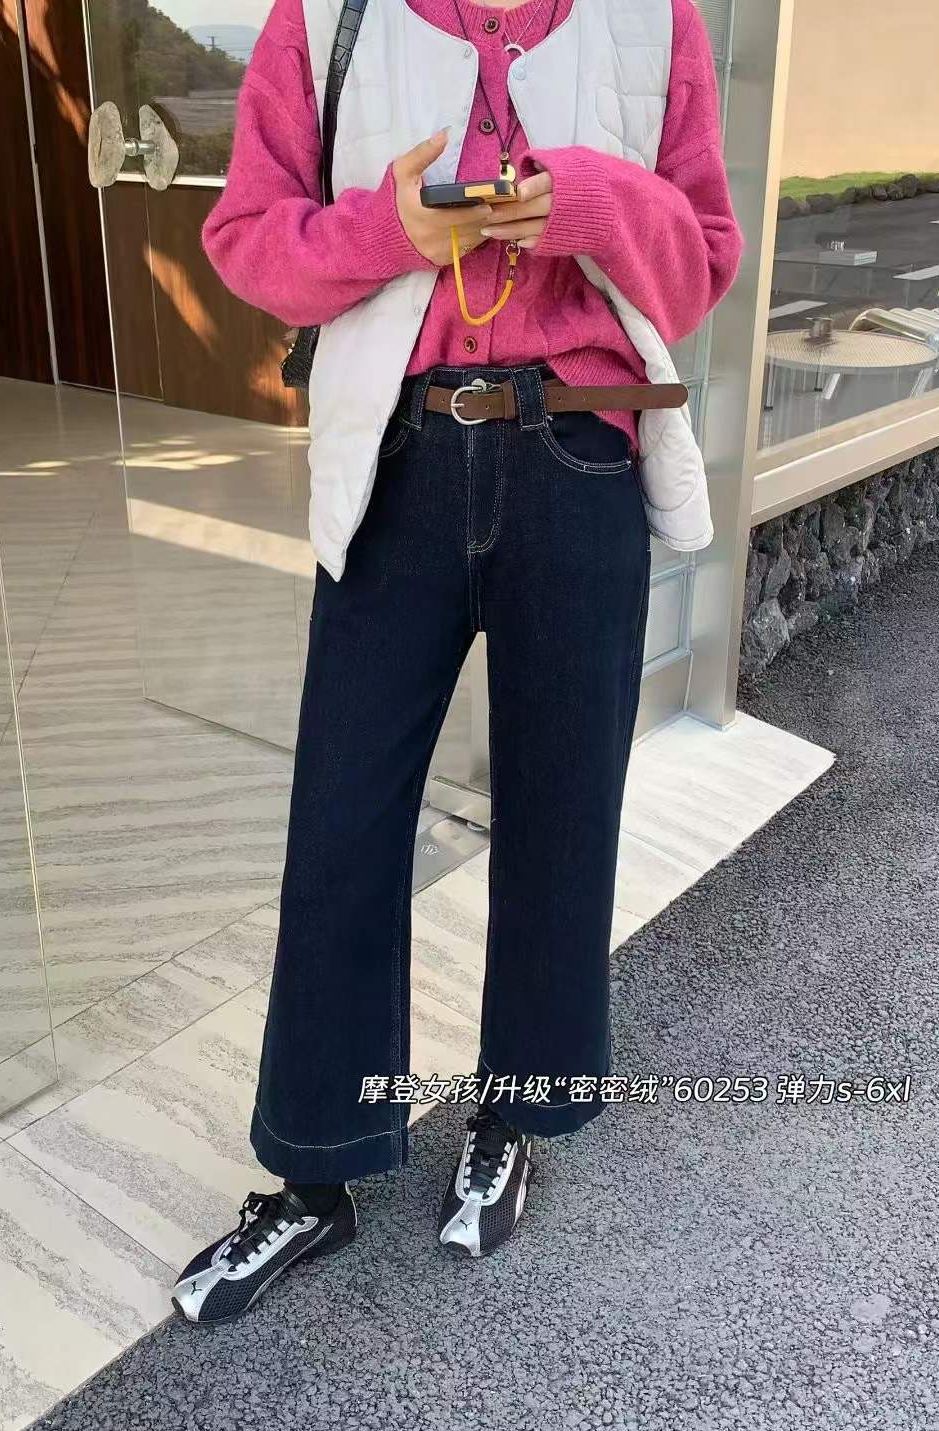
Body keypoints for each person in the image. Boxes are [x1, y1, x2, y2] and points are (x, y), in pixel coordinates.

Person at [171, 0, 742, 1326]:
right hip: (400, 463)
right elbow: (247, 239)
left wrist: (592, 201)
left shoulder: (651, 24)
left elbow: (704, 261)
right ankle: (314, 1169)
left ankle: (515, 1116)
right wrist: (388, 230)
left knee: (562, 818)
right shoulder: (329, 19)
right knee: (342, 826)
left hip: (579, 453)